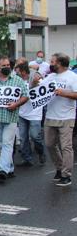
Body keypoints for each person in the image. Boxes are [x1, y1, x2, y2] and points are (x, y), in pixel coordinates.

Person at [0, 56, 29, 181]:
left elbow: (25, 96)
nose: (7, 67)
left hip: (11, 118)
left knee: (7, 144)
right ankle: (10, 168)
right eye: (4, 66)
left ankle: (2, 169)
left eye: (8, 65)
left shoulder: (17, 80)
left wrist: (16, 104)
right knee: (1, 144)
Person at [44, 53, 77, 187]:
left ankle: (66, 175)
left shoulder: (72, 77)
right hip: (51, 115)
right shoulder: (50, 77)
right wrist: (35, 82)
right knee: (49, 144)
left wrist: (62, 93)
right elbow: (39, 90)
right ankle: (59, 167)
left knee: (66, 147)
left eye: (53, 62)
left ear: (61, 63)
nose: (50, 64)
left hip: (66, 117)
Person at [14, 63, 45, 166]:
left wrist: (36, 83)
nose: (16, 73)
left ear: (23, 71)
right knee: (23, 137)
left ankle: (41, 151)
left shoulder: (36, 78)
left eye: (18, 71)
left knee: (35, 136)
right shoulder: (16, 81)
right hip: (22, 113)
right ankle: (27, 158)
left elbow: (43, 89)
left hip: (35, 113)